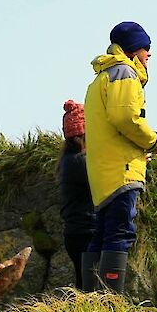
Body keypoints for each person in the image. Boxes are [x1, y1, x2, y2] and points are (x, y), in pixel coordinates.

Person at [82, 21, 157, 293]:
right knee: (120, 232)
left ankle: (90, 298)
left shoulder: (102, 77)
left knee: (102, 233)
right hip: (121, 169)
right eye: (146, 48)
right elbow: (125, 118)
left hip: (103, 168)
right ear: (133, 50)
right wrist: (152, 140)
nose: (149, 55)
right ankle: (109, 302)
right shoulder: (124, 73)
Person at [58, 100, 96, 291]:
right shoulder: (81, 162)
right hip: (85, 233)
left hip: (76, 233)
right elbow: (102, 182)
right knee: (91, 288)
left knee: (85, 285)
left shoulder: (68, 160)